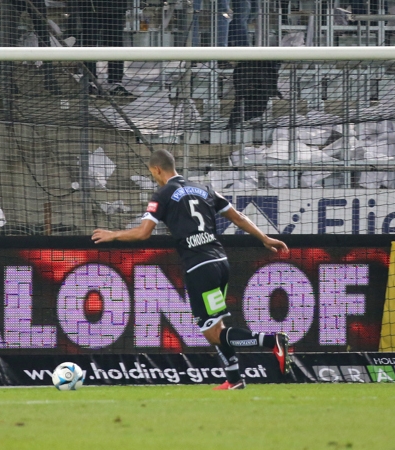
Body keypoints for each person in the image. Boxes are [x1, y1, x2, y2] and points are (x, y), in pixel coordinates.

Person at [92, 150, 290, 390]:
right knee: (217, 326)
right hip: (219, 262)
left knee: (211, 332)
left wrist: (113, 235)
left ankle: (272, 341)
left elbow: (142, 233)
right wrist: (265, 238)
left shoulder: (162, 195)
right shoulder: (204, 189)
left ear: (156, 170)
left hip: (199, 268)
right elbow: (237, 217)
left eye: (152, 173)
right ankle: (235, 379)